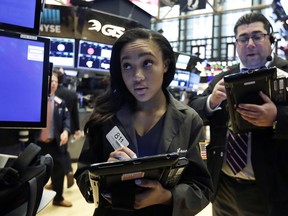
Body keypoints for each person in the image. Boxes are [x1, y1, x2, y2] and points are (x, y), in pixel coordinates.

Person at [74, 28, 213, 216]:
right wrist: (103, 177)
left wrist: (167, 196)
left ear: (165, 64)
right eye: (127, 66)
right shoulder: (105, 116)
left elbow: (201, 187)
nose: (137, 76)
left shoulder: (189, 121)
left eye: (147, 63)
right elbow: (83, 175)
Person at [188, 12, 288, 216]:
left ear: (270, 40)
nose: (250, 43)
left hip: (272, 189)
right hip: (223, 187)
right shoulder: (223, 78)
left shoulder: (285, 73)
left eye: (257, 36)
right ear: (236, 44)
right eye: (243, 38)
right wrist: (211, 101)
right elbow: (193, 110)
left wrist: (277, 117)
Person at [34, 72, 72, 207]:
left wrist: (66, 131)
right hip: (37, 144)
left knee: (59, 171)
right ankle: (34, 201)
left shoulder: (60, 103)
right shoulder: (36, 100)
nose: (53, 84)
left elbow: (67, 119)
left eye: (56, 81)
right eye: (51, 81)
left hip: (55, 143)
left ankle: (58, 198)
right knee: (36, 173)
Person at [54, 67, 81, 188]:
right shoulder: (71, 93)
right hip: (68, 127)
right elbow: (75, 113)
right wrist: (77, 129)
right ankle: (67, 172)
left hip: (54, 127)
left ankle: (66, 171)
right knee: (63, 151)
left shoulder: (51, 92)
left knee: (57, 153)